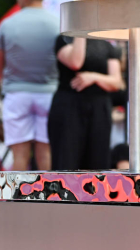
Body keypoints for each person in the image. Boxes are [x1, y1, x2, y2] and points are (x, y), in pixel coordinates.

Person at [0, 0, 59, 171]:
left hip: (17, 94)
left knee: (19, 154)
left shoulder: (8, 24)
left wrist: (7, 82)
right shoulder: (57, 23)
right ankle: (48, 200)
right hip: (49, 94)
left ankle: (18, 200)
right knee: (45, 151)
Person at [48, 36, 123, 170]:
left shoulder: (107, 45)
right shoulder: (64, 39)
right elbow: (76, 62)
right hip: (69, 107)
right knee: (67, 160)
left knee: (97, 161)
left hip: (99, 108)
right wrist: (80, 34)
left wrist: (93, 77)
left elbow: (116, 82)